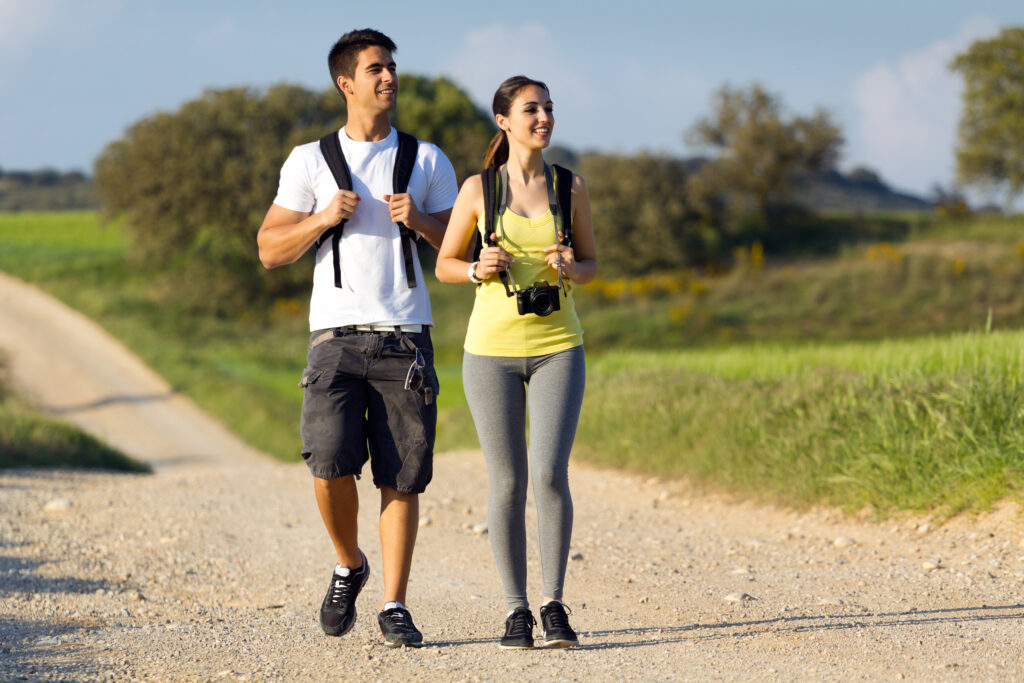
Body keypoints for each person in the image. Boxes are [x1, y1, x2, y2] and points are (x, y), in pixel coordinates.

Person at [256, 28, 457, 648]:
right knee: (327, 463)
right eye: (376, 69)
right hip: (334, 338)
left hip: (406, 337)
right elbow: (269, 250)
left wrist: (420, 221)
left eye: (392, 67)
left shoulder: (426, 159)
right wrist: (322, 219)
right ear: (346, 83)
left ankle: (395, 604)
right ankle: (350, 563)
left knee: (403, 475)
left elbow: (462, 246)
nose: (389, 77)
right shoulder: (309, 160)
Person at [435, 75, 597, 649]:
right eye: (532, 109)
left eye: (549, 108)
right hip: (490, 353)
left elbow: (592, 265)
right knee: (508, 481)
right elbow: (445, 264)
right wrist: (475, 268)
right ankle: (516, 611)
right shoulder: (478, 189)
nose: (544, 117)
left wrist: (571, 264)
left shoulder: (569, 186)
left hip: (559, 348)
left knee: (550, 476)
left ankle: (554, 605)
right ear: (504, 121)